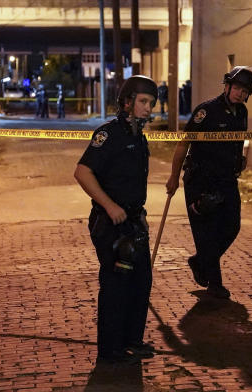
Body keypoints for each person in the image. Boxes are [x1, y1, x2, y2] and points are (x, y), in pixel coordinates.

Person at [74, 75, 159, 364]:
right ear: (127, 102)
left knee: (141, 282)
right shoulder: (108, 135)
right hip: (110, 224)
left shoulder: (138, 135)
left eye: (151, 103)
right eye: (143, 102)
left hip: (134, 223)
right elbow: (83, 172)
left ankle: (132, 341)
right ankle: (110, 350)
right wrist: (110, 207)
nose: (148, 108)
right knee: (116, 286)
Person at [165, 65, 252, 299]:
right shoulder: (206, 111)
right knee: (206, 232)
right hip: (200, 180)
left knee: (232, 227)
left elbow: (239, 142)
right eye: (237, 88)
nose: (240, 94)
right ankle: (215, 284)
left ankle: (200, 261)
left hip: (226, 179)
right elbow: (183, 143)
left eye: (245, 90)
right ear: (227, 86)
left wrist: (240, 159)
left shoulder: (242, 113)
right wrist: (173, 176)